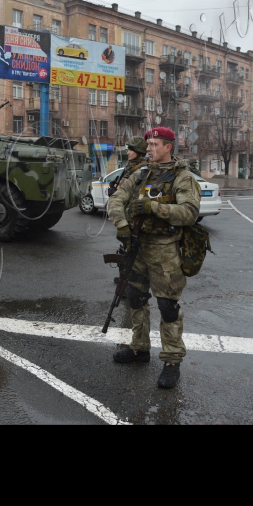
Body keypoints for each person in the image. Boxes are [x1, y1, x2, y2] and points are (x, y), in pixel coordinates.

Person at [108, 127, 201, 390]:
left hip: (164, 250)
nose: (148, 148)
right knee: (135, 299)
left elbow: (189, 213)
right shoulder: (140, 173)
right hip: (136, 248)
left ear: (168, 146)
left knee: (167, 306)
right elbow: (116, 199)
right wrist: (122, 225)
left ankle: (172, 361)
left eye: (154, 144)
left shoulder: (182, 178)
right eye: (147, 144)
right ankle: (140, 348)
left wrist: (152, 207)